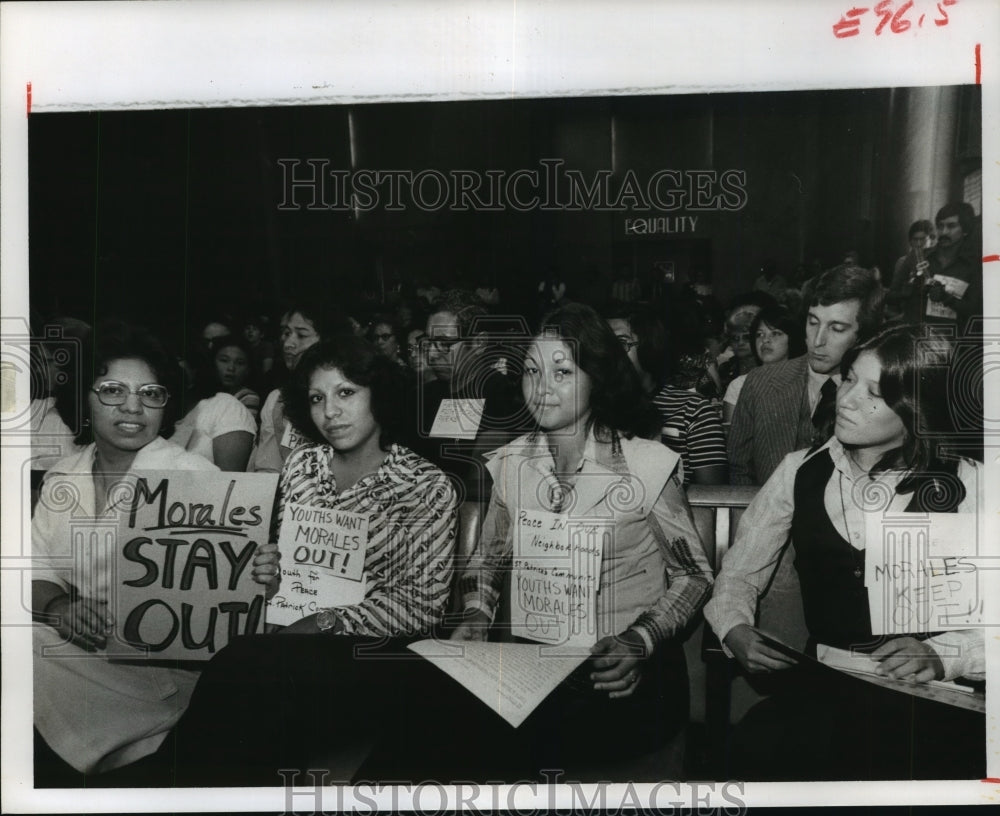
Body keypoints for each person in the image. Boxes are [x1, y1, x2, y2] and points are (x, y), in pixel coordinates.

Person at [704, 325, 984, 780]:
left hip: (926, 702)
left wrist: (944, 655)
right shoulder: (800, 469)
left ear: (917, 409)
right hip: (826, 693)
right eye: (850, 378)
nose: (847, 399)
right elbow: (738, 573)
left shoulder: (968, 483)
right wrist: (733, 625)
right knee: (757, 750)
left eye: (874, 392)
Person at [450, 302, 713, 778]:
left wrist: (641, 640)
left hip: (623, 670)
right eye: (531, 370)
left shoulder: (645, 465)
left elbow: (694, 575)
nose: (542, 387)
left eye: (562, 372)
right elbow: (487, 560)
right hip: (539, 666)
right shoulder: (511, 464)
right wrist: (476, 613)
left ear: (598, 377)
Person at [30, 322, 279, 782]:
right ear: (85, 398)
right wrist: (60, 605)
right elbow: (38, 570)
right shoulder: (63, 476)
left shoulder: (192, 474)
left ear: (166, 405)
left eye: (150, 393)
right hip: (79, 650)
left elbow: (232, 591)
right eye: (112, 390)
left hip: (161, 674)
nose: (132, 406)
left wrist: (262, 572)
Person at [273, 335, 459, 636]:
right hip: (285, 634)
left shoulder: (425, 485)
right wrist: (269, 571)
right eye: (317, 398)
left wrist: (328, 623)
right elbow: (288, 570)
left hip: (368, 657)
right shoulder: (301, 465)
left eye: (345, 392)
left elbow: (423, 605)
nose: (330, 411)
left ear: (379, 394)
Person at [728, 265, 885, 486]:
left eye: (836, 328)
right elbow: (738, 471)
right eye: (812, 322)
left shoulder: (883, 395)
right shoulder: (760, 382)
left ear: (864, 335)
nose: (818, 340)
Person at [606, 304, 727, 485]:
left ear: (649, 347)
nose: (610, 354)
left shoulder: (693, 410)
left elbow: (712, 497)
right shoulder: (596, 407)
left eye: (622, 343)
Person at [248, 303, 351, 473]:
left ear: (328, 340)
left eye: (301, 335)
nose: (288, 343)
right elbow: (268, 473)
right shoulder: (278, 401)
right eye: (286, 333)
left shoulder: (354, 396)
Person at [888, 202, 982, 333]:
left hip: (949, 342)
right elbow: (890, 297)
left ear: (965, 230)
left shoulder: (974, 266)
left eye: (951, 226)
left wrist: (947, 298)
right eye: (940, 226)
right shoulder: (917, 257)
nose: (943, 232)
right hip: (914, 337)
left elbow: (976, 311)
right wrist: (908, 291)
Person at [169, 337, 258, 471]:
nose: (231, 368)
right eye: (224, 360)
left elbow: (228, 484)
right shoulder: (159, 410)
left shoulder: (227, 408)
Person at [722, 304, 806, 425]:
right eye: (759, 334)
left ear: (791, 339)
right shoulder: (740, 385)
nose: (765, 340)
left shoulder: (805, 383)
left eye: (775, 333)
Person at [208, 334, 261, 422]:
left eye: (240, 363)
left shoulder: (247, 397)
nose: (231, 368)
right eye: (224, 360)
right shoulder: (204, 393)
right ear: (213, 363)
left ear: (248, 370)